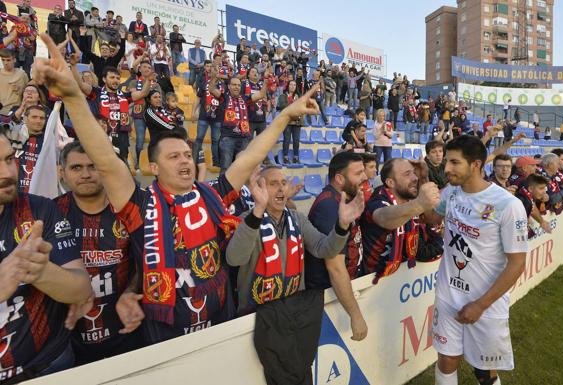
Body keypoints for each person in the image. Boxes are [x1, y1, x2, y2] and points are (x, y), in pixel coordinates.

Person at [31, 32, 322, 345]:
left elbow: (251, 156)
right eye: (174, 157)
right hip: (167, 336)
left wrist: (284, 116)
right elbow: (105, 161)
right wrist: (74, 98)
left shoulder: (213, 195)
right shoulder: (139, 205)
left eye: (187, 154)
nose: (185, 161)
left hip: (221, 326)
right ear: (153, 168)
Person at [226, 164, 363, 385]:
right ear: (258, 189)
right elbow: (235, 258)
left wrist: (341, 226)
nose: (281, 189)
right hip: (259, 319)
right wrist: (258, 211)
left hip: (293, 314)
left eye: (283, 183)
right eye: (273, 184)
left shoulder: (297, 218)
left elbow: (323, 248)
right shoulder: (247, 220)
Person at [430, 135, 528, 385]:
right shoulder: (451, 192)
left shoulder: (508, 205)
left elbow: (517, 263)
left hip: (486, 302)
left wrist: (481, 304)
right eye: (446, 162)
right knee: (447, 359)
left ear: (475, 165)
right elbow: (433, 218)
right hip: (448, 293)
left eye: (454, 162)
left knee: (485, 370)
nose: (447, 168)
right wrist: (422, 195)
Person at [0, 130, 92, 382]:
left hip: (51, 365)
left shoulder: (39, 210)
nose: (7, 173)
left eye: (9, 159)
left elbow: (81, 290)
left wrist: (41, 272)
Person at [55, 141, 144, 365]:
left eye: (93, 166)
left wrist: (132, 290)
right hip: (70, 341)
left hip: (127, 332)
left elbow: (146, 259)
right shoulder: (50, 214)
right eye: (76, 168)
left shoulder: (128, 211)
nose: (86, 174)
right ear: (61, 173)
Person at [305, 151, 369, 338]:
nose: (364, 177)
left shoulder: (345, 199)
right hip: (327, 298)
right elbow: (335, 268)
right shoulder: (329, 207)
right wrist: (356, 315)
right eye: (358, 173)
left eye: (363, 171)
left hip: (339, 291)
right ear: (340, 178)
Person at [360, 158, 441, 282]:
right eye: (407, 174)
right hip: (374, 281)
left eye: (414, 173)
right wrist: (419, 204)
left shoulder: (408, 197)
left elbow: (430, 219)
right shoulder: (378, 200)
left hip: (403, 276)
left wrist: (424, 177)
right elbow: (383, 217)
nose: (415, 178)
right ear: (390, 182)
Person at [210, 68, 267, 171]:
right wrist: (214, 78)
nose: (237, 87)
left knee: (241, 169)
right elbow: (212, 90)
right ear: (229, 86)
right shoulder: (224, 97)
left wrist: (266, 81)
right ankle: (224, 187)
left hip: (243, 138)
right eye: (234, 85)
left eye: (239, 85)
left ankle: (239, 188)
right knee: (226, 169)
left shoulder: (245, 99)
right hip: (228, 138)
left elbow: (261, 94)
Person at [127, 60, 161, 170]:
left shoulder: (156, 85)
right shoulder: (133, 83)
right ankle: (138, 162)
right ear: (140, 69)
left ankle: (154, 162)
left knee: (155, 140)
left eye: (149, 67)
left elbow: (160, 100)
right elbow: (135, 97)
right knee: (140, 141)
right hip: (139, 114)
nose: (147, 69)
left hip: (153, 115)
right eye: (144, 67)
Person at [8, 105, 45, 193]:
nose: (38, 121)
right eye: (34, 117)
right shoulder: (11, 136)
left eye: (42, 118)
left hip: (37, 195)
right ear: (25, 118)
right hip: (11, 193)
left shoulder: (49, 141)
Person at [277, 80, 303, 164]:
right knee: (287, 140)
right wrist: (293, 103)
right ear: (288, 86)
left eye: (294, 85)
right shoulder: (283, 96)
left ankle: (296, 157)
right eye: (291, 84)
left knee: (296, 140)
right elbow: (282, 106)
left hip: (297, 122)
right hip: (287, 122)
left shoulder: (299, 96)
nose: (292, 86)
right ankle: (285, 157)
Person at [0, 49, 29, 115]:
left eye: (8, 60)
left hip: (15, 111)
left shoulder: (22, 74)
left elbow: (28, 91)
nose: (5, 63)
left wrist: (20, 89)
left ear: (14, 60)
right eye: (3, 60)